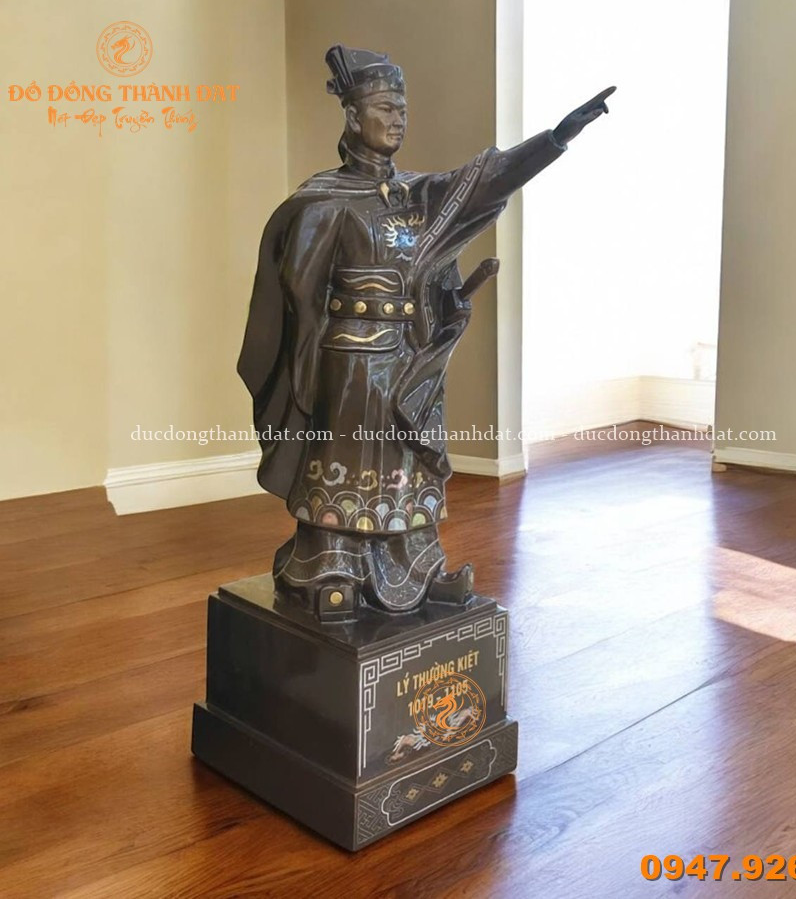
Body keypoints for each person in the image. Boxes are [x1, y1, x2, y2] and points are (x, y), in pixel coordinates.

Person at [238, 44, 615, 620]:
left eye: (402, 110)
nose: (397, 120)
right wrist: (307, 372)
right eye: (385, 108)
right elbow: (299, 295)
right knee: (348, 463)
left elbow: (483, 183)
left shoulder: (418, 197)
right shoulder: (323, 200)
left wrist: (554, 140)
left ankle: (416, 571)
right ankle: (330, 567)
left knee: (406, 467)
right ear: (353, 115)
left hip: (410, 359)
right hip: (350, 361)